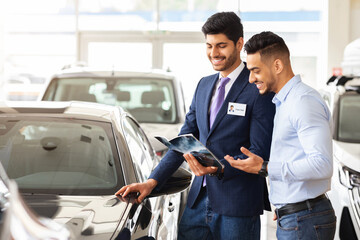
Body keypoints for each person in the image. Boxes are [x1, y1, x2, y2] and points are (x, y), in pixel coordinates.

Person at [116, 12, 275, 240]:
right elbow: (184, 139)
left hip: (237, 206)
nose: (214, 53)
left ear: (239, 44)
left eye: (221, 46)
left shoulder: (256, 89)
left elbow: (260, 152)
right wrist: (151, 182)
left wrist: (220, 168)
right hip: (197, 202)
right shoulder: (204, 85)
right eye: (209, 46)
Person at [224, 31, 336, 240]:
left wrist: (265, 167)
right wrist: (285, 204)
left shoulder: (303, 102)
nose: (250, 79)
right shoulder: (284, 102)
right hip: (297, 216)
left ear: (277, 65)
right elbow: (294, 156)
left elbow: (322, 164)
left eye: (256, 70)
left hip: (305, 219)